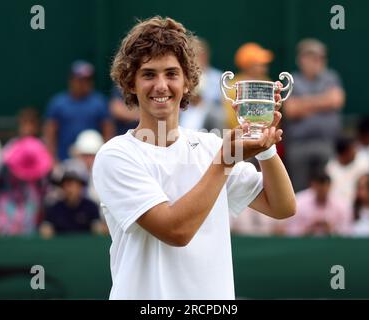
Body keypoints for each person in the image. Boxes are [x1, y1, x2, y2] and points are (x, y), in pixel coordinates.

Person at [93, 16, 295, 300]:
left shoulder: (211, 146)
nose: (161, 85)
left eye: (172, 74)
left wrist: (265, 147)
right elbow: (176, 231)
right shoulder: (115, 155)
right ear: (130, 84)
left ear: (188, 82)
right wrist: (224, 162)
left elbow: (282, 206)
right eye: (149, 74)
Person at [283, 38, 346, 192]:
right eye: (311, 58)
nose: (316, 62)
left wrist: (303, 104)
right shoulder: (293, 80)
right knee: (299, 192)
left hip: (327, 144)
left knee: (327, 190)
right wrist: (324, 102)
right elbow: (291, 110)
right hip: (298, 146)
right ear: (301, 60)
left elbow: (336, 100)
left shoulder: (331, 77)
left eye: (320, 58)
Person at [44, 60, 114, 162]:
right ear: (71, 80)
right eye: (80, 80)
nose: (83, 84)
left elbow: (108, 131)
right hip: (64, 160)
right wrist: (53, 161)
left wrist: (105, 158)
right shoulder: (58, 103)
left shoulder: (99, 102)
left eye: (87, 80)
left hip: (92, 162)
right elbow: (50, 134)